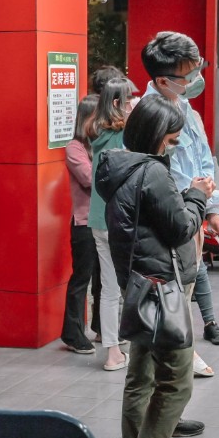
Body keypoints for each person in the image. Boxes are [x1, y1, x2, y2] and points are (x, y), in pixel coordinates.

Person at [95, 95, 210, 438]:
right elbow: (179, 227)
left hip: (139, 286)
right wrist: (197, 197)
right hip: (160, 288)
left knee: (143, 373)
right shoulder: (153, 173)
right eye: (174, 138)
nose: (177, 145)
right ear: (158, 136)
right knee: (176, 382)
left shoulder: (120, 168)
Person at [142, 32, 219, 366]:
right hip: (169, 225)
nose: (197, 78)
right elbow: (164, 179)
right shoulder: (148, 115)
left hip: (193, 218)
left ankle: (179, 362)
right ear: (163, 79)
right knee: (168, 303)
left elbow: (205, 162)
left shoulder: (187, 110)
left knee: (185, 293)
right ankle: (172, 369)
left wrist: (212, 208)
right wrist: (197, 202)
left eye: (199, 67)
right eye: (190, 73)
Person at [86, 77, 139, 371]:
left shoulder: (98, 134)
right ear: (118, 104)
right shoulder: (127, 136)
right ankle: (140, 346)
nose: (133, 103)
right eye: (129, 99)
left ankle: (113, 354)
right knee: (134, 285)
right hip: (123, 221)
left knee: (108, 289)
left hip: (98, 220)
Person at [60, 94, 102, 354]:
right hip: (84, 222)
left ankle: (101, 328)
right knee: (81, 280)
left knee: (102, 281)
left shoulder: (100, 143)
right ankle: (73, 334)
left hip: (104, 221)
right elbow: (89, 178)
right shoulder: (74, 147)